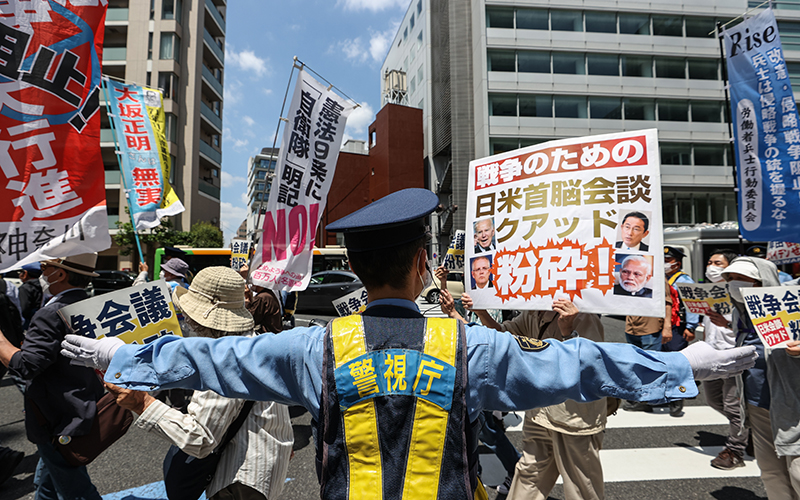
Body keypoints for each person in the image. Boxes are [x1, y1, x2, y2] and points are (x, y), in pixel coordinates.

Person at [61, 189, 757, 500]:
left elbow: (219, 358)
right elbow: (575, 364)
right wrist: (680, 362)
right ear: (424, 265)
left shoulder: (316, 348)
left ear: (356, 270)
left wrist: (121, 356)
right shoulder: (469, 346)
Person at [105, 267, 293, 500]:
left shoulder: (224, 358)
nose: (187, 321)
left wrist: (142, 403)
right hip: (260, 467)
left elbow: (199, 438)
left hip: (239, 482)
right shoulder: (252, 342)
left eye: (188, 314)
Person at [466, 296, 608, 500]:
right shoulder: (533, 312)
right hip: (540, 410)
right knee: (528, 474)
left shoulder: (583, 316)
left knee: (581, 486)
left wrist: (568, 332)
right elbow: (503, 335)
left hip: (573, 418)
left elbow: (591, 366)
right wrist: (481, 312)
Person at [0, 253, 104, 500]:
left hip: (56, 415)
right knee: (46, 484)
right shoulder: (87, 303)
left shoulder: (52, 312)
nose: (42, 273)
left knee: (76, 490)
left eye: (46, 267)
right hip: (80, 404)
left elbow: (27, 364)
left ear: (60, 274)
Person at [721, 257, 800, 499]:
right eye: (730, 279)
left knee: (797, 471)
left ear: (763, 281)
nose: (735, 284)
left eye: (743, 279)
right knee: (770, 472)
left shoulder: (793, 306)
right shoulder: (739, 313)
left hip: (792, 405)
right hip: (756, 404)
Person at [438, 286, 519, 498]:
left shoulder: (490, 299)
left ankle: (513, 465)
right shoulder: (472, 299)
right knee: (479, 428)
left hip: (482, 372)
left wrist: (475, 312)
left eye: (482, 270)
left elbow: (489, 336)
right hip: (470, 369)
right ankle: (479, 472)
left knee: (486, 430)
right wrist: (453, 310)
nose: (477, 274)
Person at [702, 249, 749, 470]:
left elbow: (751, 329)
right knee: (713, 400)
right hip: (712, 355)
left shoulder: (741, 293)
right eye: (710, 262)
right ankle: (750, 430)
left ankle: (736, 449)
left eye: (718, 263)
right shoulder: (709, 292)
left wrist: (727, 324)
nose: (711, 266)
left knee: (733, 406)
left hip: (734, 355)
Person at [622, 278, 673, 413]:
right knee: (635, 364)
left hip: (651, 327)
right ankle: (639, 396)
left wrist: (667, 327)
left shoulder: (657, 276)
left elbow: (667, 303)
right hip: (632, 326)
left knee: (649, 366)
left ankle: (647, 400)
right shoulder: (629, 277)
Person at [18, 262, 43, 330]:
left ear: (25, 274)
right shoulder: (43, 286)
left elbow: (23, 309)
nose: (19, 274)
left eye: (21, 272)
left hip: (28, 324)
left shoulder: (25, 288)